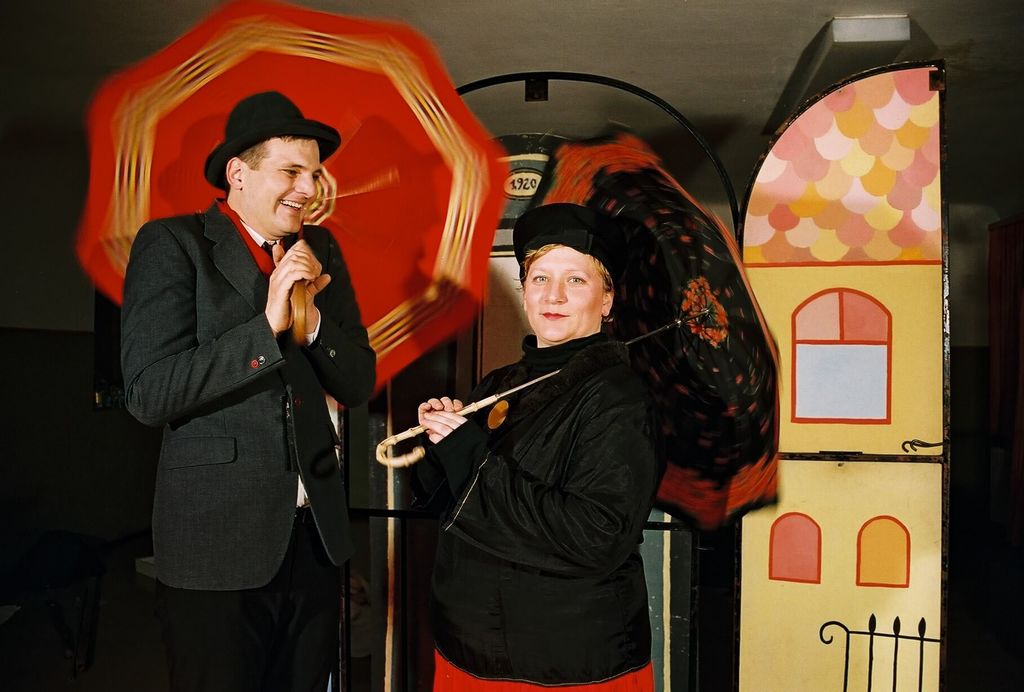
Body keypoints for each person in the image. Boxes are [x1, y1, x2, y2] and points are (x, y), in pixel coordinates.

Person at [120, 91, 375, 692]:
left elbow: (358, 380)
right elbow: (148, 393)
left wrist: (314, 325)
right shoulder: (172, 244)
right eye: (292, 172)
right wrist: (266, 329)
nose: (309, 188)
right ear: (239, 173)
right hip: (216, 547)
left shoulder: (322, 250)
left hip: (315, 544)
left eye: (314, 174)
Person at [413, 203, 663, 691]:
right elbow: (455, 503)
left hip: (564, 663)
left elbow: (596, 536)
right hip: (467, 650)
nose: (554, 295)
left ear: (607, 300)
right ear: (524, 289)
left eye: (576, 280)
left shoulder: (620, 398)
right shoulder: (499, 383)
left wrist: (469, 455)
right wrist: (441, 445)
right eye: (540, 278)